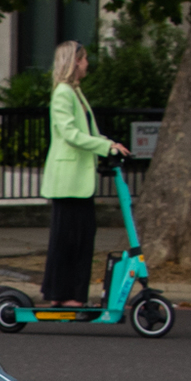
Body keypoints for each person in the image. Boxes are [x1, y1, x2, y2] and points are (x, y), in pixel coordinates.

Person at [40, 41, 127, 305]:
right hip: (68, 179)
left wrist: (110, 145)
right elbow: (70, 134)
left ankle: (70, 295)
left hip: (78, 180)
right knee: (68, 239)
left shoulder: (75, 93)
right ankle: (61, 295)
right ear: (75, 62)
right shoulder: (63, 93)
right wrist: (105, 146)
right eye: (85, 59)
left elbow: (88, 132)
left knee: (81, 237)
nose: (88, 63)